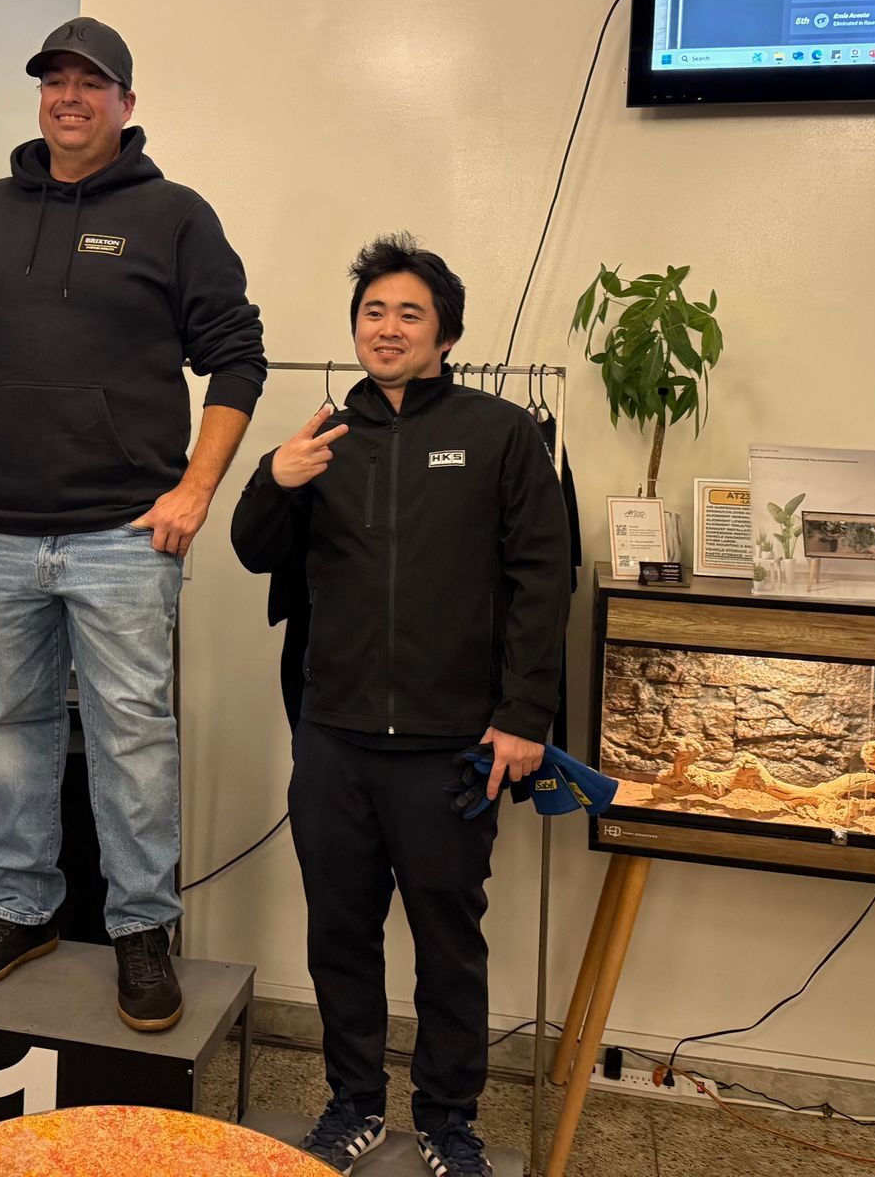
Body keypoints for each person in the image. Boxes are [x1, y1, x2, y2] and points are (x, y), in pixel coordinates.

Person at [0, 17, 265, 1032]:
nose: (68, 97)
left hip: (125, 530)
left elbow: (238, 356)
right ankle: (20, 910)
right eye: (53, 81)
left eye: (91, 83)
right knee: (15, 732)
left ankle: (140, 933)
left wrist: (196, 488)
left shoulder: (174, 215)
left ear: (126, 103)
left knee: (131, 741)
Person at [231, 235, 570, 1175]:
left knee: (447, 941)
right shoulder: (321, 441)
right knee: (339, 932)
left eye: (408, 313)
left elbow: (544, 580)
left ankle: (450, 1119)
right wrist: (273, 479)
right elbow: (255, 552)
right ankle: (352, 1105)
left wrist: (524, 716)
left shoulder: (503, 434)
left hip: (452, 744)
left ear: (447, 333)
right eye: (373, 312)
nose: (387, 327)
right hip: (333, 736)